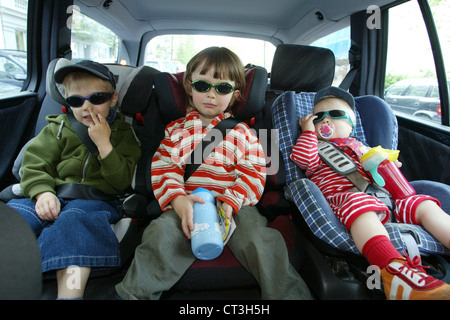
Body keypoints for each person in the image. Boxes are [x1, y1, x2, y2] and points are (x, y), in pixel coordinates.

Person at [116, 47, 312, 300]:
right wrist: (177, 200)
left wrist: (232, 200)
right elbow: (166, 168)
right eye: (202, 85)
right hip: (187, 202)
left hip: (235, 205)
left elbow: (254, 173)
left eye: (222, 88)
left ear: (235, 94)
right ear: (189, 87)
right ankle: (134, 295)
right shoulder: (175, 130)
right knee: (160, 235)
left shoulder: (244, 133)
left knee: (262, 241)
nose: (211, 94)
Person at [290, 86, 450, 300]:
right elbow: (302, 159)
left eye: (335, 115)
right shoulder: (315, 148)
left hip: (387, 199)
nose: (326, 121)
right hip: (345, 200)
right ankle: (393, 272)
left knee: (424, 205)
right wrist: (308, 131)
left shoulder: (362, 147)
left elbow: (387, 173)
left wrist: (389, 165)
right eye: (318, 117)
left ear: (351, 125)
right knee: (361, 206)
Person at [7, 60, 141, 299]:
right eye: (76, 101)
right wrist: (42, 192)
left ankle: (69, 294)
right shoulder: (57, 128)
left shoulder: (124, 135)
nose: (86, 107)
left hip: (95, 199)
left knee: (74, 224)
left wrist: (104, 144)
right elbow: (34, 163)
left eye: (97, 98)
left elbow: (120, 181)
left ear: (113, 99)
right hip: (52, 192)